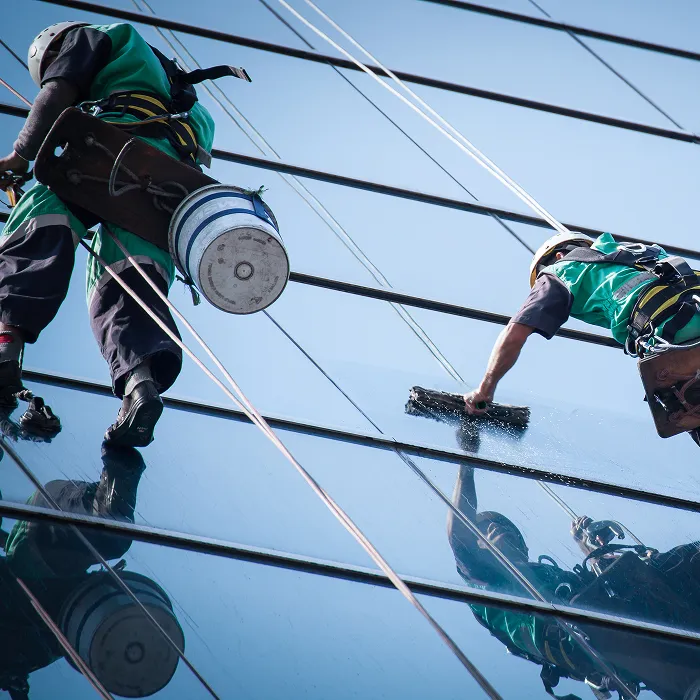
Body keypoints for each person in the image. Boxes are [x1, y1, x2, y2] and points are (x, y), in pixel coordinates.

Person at [0, 21, 216, 446]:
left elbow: (59, 90)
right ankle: (139, 385)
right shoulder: (184, 98)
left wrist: (20, 155)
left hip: (103, 153)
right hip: (165, 188)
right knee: (124, 284)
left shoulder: (94, 36)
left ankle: (5, 343)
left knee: (38, 223)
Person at [448, 464, 700, 699]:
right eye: (482, 530)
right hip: (587, 639)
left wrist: (588, 546)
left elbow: (598, 587)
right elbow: (458, 534)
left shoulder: (552, 576)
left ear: (524, 547)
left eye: (503, 526)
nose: (494, 528)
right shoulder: (487, 584)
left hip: (617, 624)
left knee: (682, 562)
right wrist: (466, 464)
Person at [462, 231, 700, 445]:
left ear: (557, 256)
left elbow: (514, 334)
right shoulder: (639, 252)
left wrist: (485, 389)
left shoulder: (562, 270)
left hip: (676, 329)